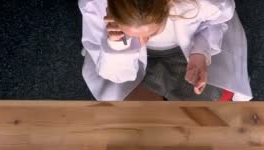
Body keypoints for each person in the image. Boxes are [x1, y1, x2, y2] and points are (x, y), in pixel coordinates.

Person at [79, 0, 252, 101]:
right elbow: (118, 74)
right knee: (130, 120)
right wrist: (117, 44)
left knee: (205, 115)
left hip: (183, 49)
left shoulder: (206, 3)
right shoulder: (95, 5)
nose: (143, 42)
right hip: (130, 59)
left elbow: (215, 23)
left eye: (152, 33)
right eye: (130, 33)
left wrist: (200, 52)